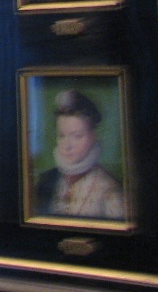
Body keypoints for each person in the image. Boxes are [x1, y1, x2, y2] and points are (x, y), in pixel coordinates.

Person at [35, 89, 126, 220]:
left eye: (77, 136)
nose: (67, 145)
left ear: (93, 136)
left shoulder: (109, 190)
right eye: (61, 135)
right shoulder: (46, 181)